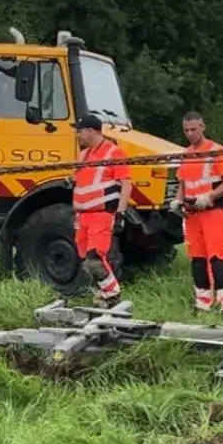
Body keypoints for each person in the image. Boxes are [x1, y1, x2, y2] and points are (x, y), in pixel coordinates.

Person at [175, 110, 223, 313]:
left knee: (217, 258)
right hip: (191, 215)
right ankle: (203, 304)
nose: (190, 133)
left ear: (202, 127)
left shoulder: (216, 151)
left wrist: (209, 197)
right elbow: (182, 183)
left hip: (212, 212)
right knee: (197, 260)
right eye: (186, 130)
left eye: (194, 129)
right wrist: (177, 201)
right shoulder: (185, 155)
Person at [71, 113, 130, 306]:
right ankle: (102, 296)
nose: (77, 135)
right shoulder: (83, 155)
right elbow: (81, 182)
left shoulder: (114, 153)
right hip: (82, 216)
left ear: (90, 131)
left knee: (95, 258)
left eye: (79, 131)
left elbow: (126, 185)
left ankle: (113, 294)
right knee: (85, 261)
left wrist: (120, 213)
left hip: (101, 214)